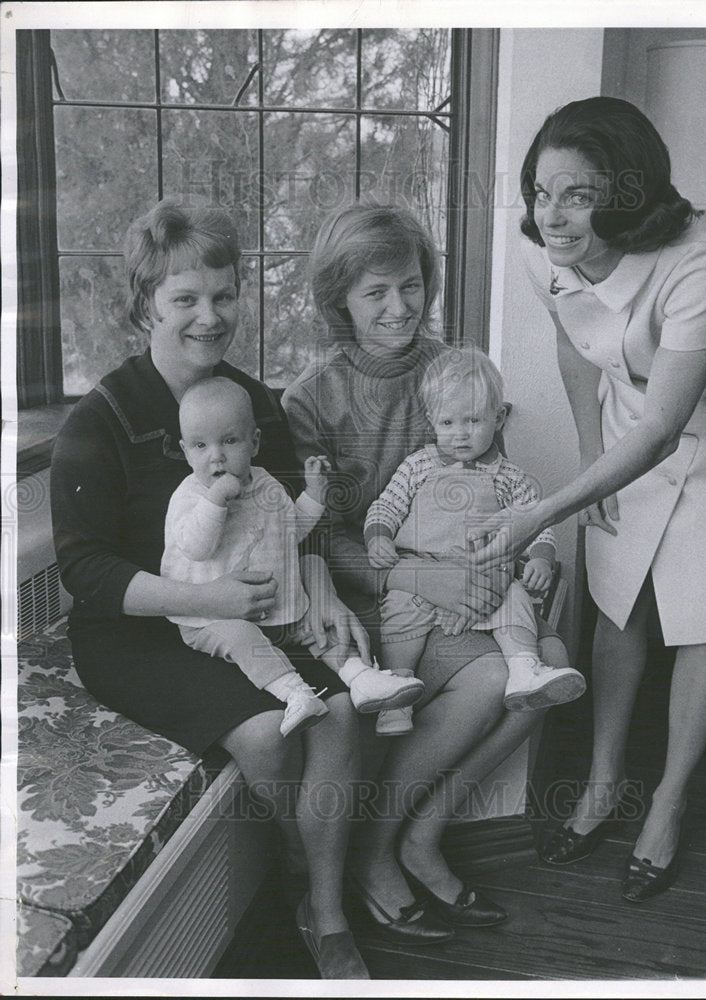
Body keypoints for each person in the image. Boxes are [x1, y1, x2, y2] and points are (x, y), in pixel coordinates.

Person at [50, 201, 371, 978]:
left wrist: (327, 598)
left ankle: (325, 914)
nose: (209, 316)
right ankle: (303, 864)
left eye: (224, 295)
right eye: (185, 298)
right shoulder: (99, 420)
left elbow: (292, 527)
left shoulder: (255, 405)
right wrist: (211, 600)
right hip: (138, 631)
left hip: (254, 617)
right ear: (144, 305)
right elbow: (85, 574)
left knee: (339, 713)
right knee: (268, 732)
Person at [468, 96, 706, 903]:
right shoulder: (544, 250)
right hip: (629, 423)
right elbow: (577, 351)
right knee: (618, 601)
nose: (552, 215)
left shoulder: (698, 260)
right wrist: (590, 454)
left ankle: (667, 802)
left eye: (578, 194)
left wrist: (546, 509)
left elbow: (670, 426)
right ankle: (603, 782)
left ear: (624, 196)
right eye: (540, 190)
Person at [282, 204, 571, 941]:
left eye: (409, 285)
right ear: (340, 300)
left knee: (552, 664)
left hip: (456, 589)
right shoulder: (311, 399)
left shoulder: (452, 374)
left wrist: (525, 554)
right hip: (364, 600)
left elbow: (498, 483)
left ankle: (415, 836)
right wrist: (411, 580)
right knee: (493, 678)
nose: (398, 307)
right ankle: (379, 852)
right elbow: (314, 541)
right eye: (374, 292)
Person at [161, 375, 425, 738]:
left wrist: (315, 495)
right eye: (200, 445)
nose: (216, 455)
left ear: (254, 443)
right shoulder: (190, 496)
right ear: (185, 450)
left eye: (230, 441)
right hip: (210, 618)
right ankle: (296, 694)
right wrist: (215, 502)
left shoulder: (266, 484)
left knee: (320, 628)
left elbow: (291, 532)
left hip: (275, 606)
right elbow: (195, 547)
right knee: (242, 638)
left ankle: (363, 678)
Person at [364, 346, 586, 736]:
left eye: (473, 420)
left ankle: (523, 669)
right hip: (424, 571)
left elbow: (538, 521)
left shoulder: (509, 476)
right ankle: (396, 693)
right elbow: (386, 506)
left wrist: (540, 558)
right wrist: (378, 536)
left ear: (498, 418)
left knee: (515, 599)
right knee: (399, 612)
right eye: (448, 422)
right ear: (432, 419)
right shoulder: (418, 466)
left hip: (486, 577)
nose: (460, 433)